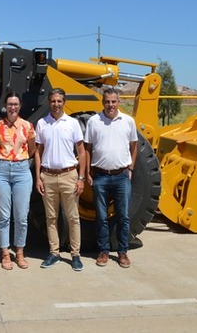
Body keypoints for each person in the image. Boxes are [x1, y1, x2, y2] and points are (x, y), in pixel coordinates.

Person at [34, 88, 86, 271]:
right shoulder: (42, 123)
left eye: (59, 101)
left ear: (64, 102)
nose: (56, 104)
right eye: (53, 101)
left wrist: (81, 178)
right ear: (49, 102)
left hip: (69, 175)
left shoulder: (72, 123)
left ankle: (75, 255)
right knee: (51, 218)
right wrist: (38, 177)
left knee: (73, 217)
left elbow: (81, 152)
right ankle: (54, 253)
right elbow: (38, 152)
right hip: (47, 176)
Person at [85, 87, 137, 268]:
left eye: (113, 101)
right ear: (103, 102)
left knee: (124, 216)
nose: (110, 105)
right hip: (100, 176)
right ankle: (104, 251)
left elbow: (134, 145)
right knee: (101, 217)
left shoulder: (128, 121)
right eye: (107, 101)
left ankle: (123, 252)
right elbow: (88, 148)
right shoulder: (93, 121)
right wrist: (88, 172)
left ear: (118, 102)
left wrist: (130, 167)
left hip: (121, 176)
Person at [0, 91, 35, 270]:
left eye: (16, 104)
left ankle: (20, 252)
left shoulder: (28, 126)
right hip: (1, 170)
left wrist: (18, 160)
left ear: (20, 106)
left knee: (22, 216)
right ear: (5, 106)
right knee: (3, 216)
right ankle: (5, 253)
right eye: (10, 104)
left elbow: (31, 150)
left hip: (22, 171)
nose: (13, 107)